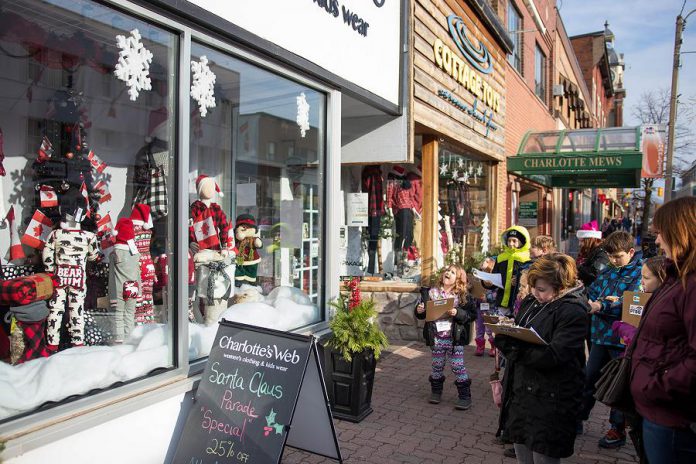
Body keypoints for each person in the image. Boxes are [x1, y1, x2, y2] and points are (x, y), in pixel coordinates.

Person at [495, 254, 588, 464]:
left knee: (543, 455)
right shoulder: (533, 301)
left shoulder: (573, 311)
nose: (535, 294)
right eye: (533, 288)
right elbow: (524, 330)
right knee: (522, 451)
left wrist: (513, 347)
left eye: (542, 289)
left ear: (560, 285)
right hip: (523, 392)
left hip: (551, 397)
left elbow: (555, 355)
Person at [630, 197, 696, 464]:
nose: (657, 241)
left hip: (672, 418)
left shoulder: (690, 285)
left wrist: (657, 386)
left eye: (661, 233)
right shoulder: (676, 278)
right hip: (659, 412)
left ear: (682, 231)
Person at [578, 231, 643, 448]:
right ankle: (578, 418)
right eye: (611, 256)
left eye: (618, 256)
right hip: (600, 336)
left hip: (621, 340)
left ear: (631, 252)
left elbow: (629, 303)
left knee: (618, 384)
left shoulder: (639, 274)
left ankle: (617, 429)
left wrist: (601, 305)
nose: (614, 261)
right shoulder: (608, 271)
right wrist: (589, 299)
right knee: (589, 378)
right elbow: (593, 291)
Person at [415, 264, 478, 410]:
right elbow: (421, 313)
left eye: (452, 272)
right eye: (447, 270)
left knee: (458, 367)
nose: (448, 273)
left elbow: (472, 315)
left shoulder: (463, 296)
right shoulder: (431, 292)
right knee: (437, 365)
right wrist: (419, 310)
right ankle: (436, 392)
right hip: (436, 337)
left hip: (454, 338)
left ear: (459, 279)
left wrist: (458, 313)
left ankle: (464, 396)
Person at [483, 226, 531, 316]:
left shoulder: (527, 259)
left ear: (522, 241)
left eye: (514, 241)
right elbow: (494, 279)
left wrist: (518, 282)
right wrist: (487, 283)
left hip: (519, 302)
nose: (511, 244)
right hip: (502, 302)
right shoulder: (501, 258)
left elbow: (529, 281)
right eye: (509, 241)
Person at [474, 256, 497, 357]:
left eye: (487, 261)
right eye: (484, 261)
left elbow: (497, 293)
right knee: (479, 327)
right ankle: (480, 346)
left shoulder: (494, 279)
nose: (484, 262)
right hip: (479, 307)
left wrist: (488, 297)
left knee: (489, 329)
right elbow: (475, 289)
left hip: (490, 308)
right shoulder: (478, 277)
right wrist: (471, 289)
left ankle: (493, 346)